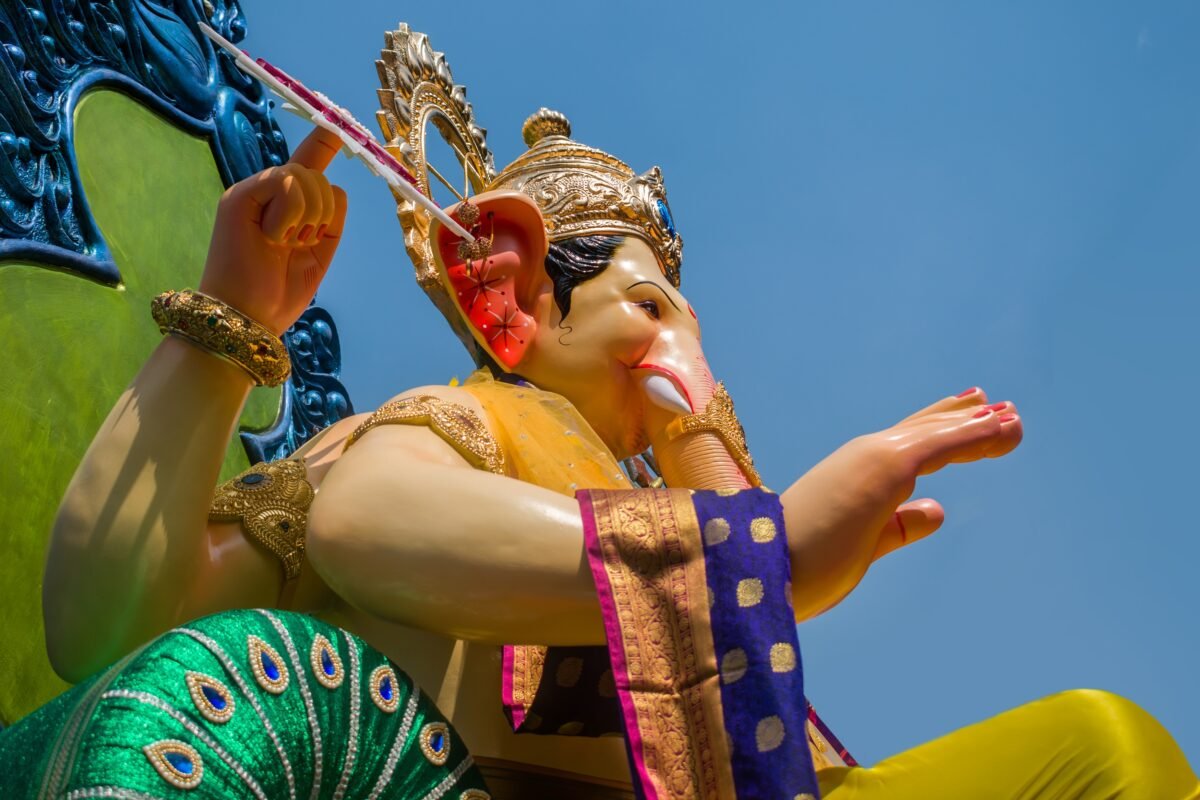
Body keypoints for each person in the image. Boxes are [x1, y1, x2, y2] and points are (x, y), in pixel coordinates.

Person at [11, 25, 1197, 800]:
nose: (684, 352)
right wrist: (226, 329)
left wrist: (732, 517)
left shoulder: (632, 494)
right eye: (647, 302)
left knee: (1102, 749)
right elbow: (186, 594)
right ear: (518, 285)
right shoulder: (464, 420)